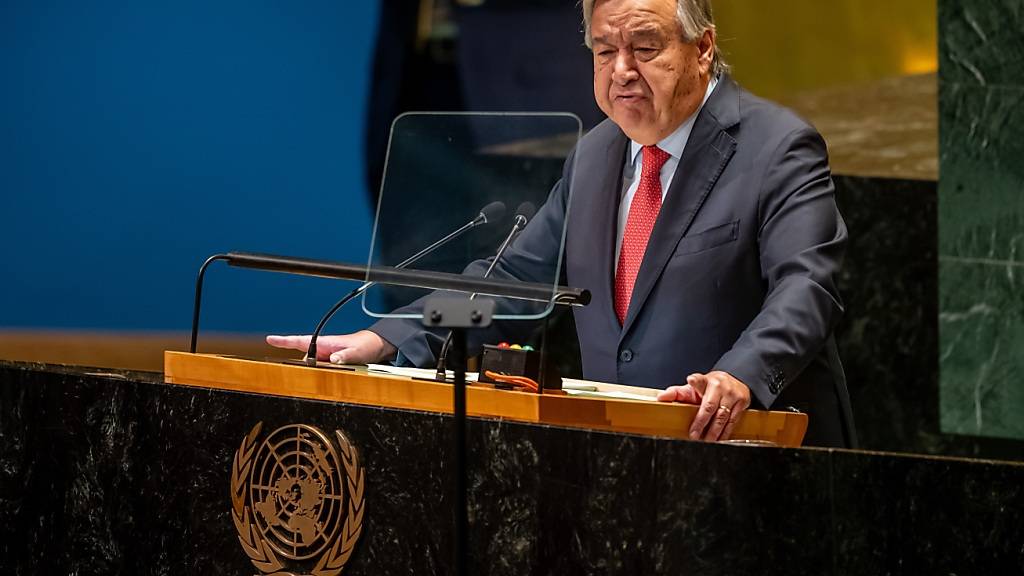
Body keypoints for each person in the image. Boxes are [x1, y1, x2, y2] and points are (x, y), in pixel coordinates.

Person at [269, 0, 856, 448]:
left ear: (702, 49)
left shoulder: (777, 147)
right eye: (604, 51)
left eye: (645, 48)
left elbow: (807, 288)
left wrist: (739, 376)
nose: (622, 70)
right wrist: (392, 335)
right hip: (618, 458)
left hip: (753, 459)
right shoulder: (596, 154)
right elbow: (510, 284)